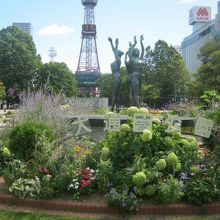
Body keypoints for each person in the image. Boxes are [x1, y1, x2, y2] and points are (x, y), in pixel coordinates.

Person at [126, 35, 145, 107]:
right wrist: (134, 43)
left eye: (138, 51)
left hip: (140, 77)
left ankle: (134, 106)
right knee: (136, 92)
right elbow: (129, 51)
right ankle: (137, 108)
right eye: (136, 50)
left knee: (138, 92)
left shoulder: (140, 59)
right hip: (134, 77)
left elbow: (143, 50)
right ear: (134, 52)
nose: (138, 51)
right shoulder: (132, 59)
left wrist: (141, 42)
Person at [108, 37, 124, 112]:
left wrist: (111, 42)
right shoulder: (117, 60)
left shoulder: (118, 60)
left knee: (115, 94)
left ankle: (112, 109)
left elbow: (114, 51)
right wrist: (116, 44)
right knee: (116, 94)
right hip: (116, 77)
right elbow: (115, 51)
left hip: (116, 78)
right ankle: (117, 108)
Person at [124, 36, 137, 106]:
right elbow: (130, 52)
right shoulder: (133, 62)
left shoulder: (127, 63)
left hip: (128, 77)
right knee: (135, 93)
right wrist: (134, 43)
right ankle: (135, 106)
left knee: (129, 93)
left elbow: (128, 54)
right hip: (133, 77)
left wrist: (126, 54)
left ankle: (130, 105)